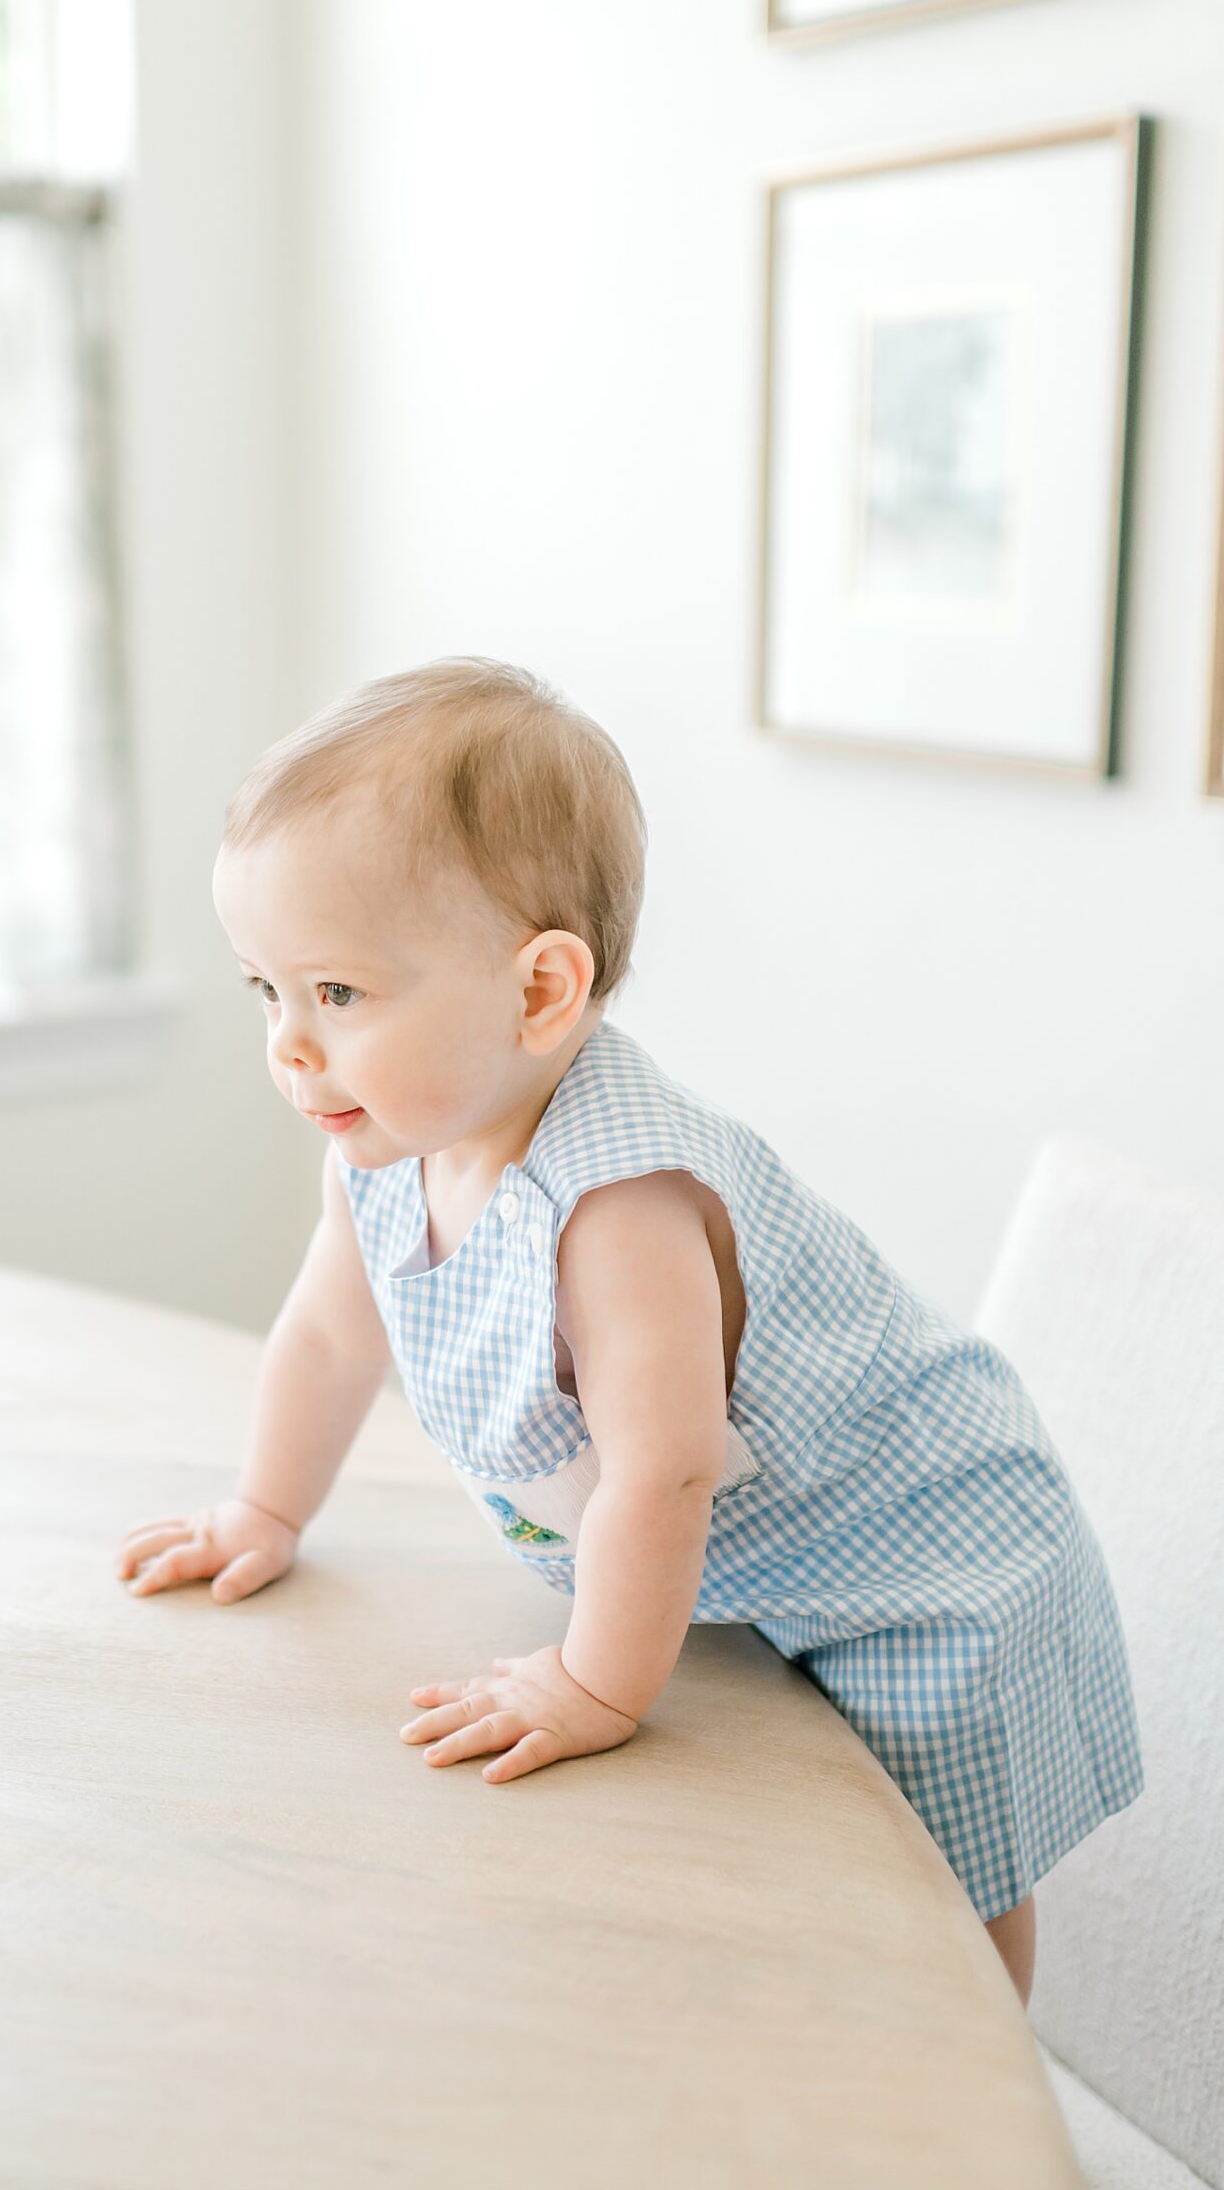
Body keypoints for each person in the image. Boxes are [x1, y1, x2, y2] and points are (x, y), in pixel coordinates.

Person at [115, 657, 1144, 2010]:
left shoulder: (618, 1205)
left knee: (939, 1881)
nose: (291, 1051)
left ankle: (986, 2069)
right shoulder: (380, 1142)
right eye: (266, 993)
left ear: (542, 993)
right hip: (764, 1563)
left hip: (926, 1555)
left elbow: (664, 1470)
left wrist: (597, 1689)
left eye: (340, 996)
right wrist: (264, 1506)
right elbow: (327, 1335)